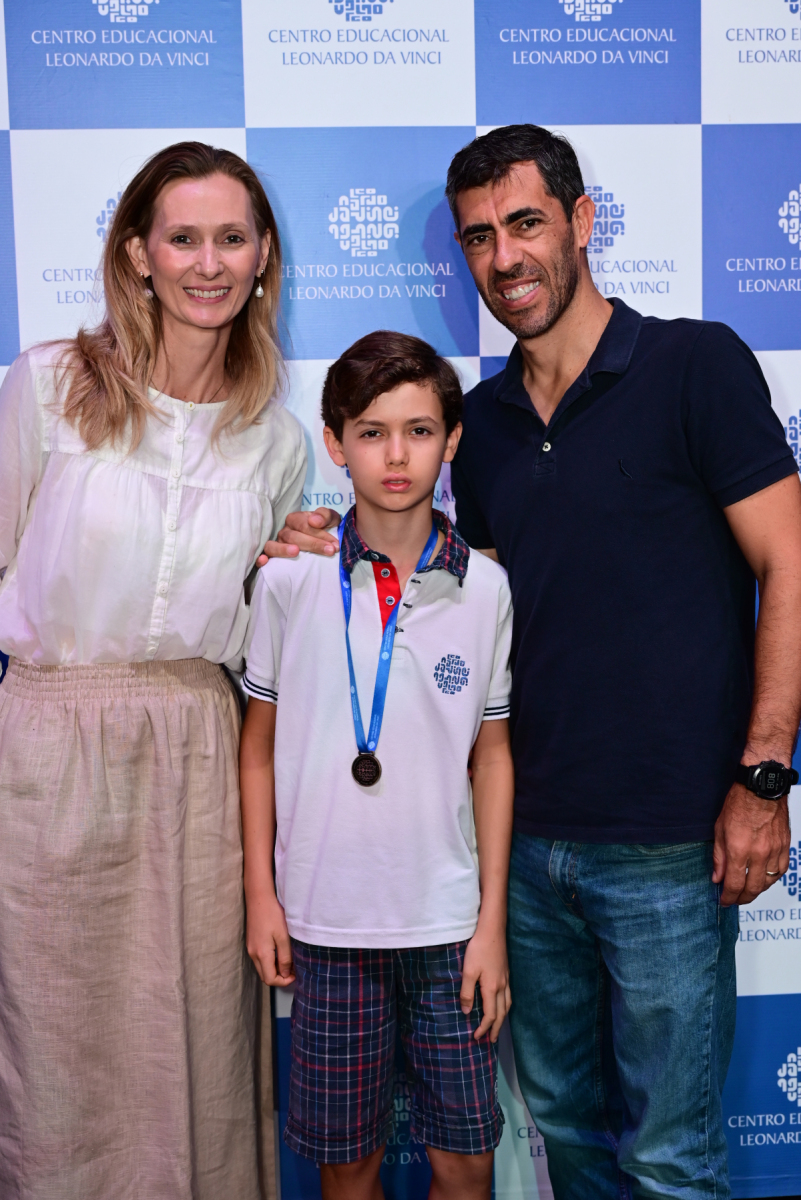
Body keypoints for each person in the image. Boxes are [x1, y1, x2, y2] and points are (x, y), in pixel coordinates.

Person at [262, 125, 801, 1199]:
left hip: (668, 843)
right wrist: (319, 543)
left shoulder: (694, 365)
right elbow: (457, 599)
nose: (503, 257)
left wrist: (763, 779)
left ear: (581, 222)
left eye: (525, 223)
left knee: (670, 1157)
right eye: (478, 236)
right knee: (565, 1131)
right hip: (519, 849)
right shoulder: (484, 425)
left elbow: (788, 564)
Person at [0, 141, 306, 1199]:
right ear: (138, 253)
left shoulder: (274, 439)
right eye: (183, 238)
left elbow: (258, 640)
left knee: (200, 1047)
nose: (207, 263)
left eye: (231, 239)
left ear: (262, 259)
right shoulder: (49, 384)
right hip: (48, 752)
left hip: (199, 757)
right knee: (55, 1052)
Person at [239, 331, 515, 1200]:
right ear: (334, 443)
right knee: (347, 1167)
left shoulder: (486, 588)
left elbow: (492, 758)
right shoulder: (291, 578)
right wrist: (260, 895)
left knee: (465, 1164)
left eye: (419, 431)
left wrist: (490, 923)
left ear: (451, 441)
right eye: (371, 432)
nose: (396, 456)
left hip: (448, 925)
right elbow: (256, 748)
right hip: (327, 924)